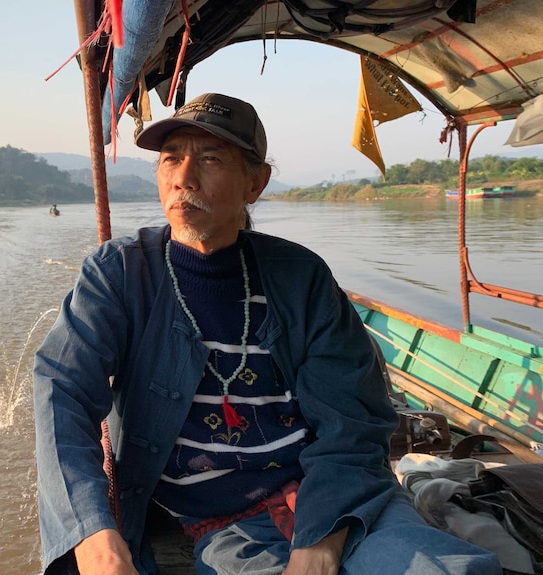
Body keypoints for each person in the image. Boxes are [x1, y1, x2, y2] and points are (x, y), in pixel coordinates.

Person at [33, 93, 500, 575]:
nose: (183, 177)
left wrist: (318, 545)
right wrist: (94, 538)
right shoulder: (119, 274)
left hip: (333, 494)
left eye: (209, 159)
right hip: (218, 520)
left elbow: (351, 424)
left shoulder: (301, 277)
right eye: (171, 158)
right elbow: (62, 393)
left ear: (256, 183)